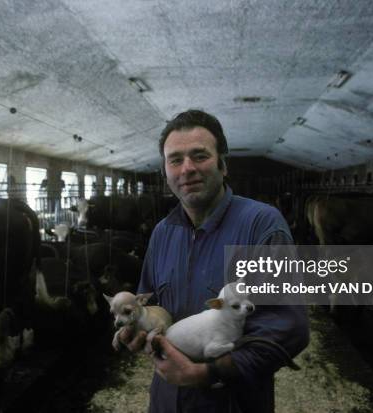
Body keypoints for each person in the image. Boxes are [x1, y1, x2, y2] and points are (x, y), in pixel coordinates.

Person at [122, 109, 309, 412]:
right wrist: (138, 332)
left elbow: (289, 327)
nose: (187, 169)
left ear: (223, 164)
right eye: (175, 160)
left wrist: (206, 373)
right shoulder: (162, 233)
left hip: (234, 402)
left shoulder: (261, 225)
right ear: (165, 172)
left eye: (200, 156)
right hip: (167, 401)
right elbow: (151, 310)